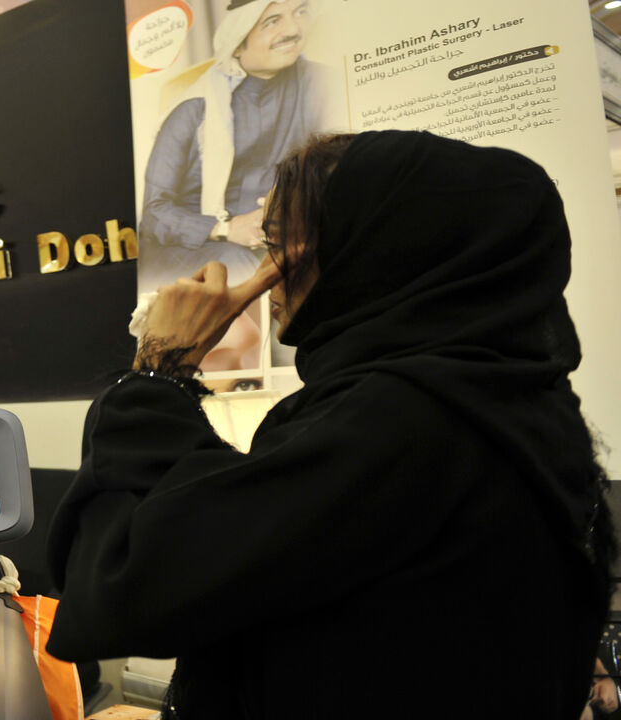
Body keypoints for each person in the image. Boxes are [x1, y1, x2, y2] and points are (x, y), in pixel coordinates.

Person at [47, 131, 614, 717]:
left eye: (289, 240)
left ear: (383, 247)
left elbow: (123, 587)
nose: (271, 269)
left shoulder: (404, 421)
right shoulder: (515, 404)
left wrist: (159, 367)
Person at [138, 0, 339, 371]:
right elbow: (154, 214)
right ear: (238, 42)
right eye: (272, 21)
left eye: (300, 12)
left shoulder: (321, 83)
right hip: (204, 246)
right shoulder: (193, 110)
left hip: (287, 235)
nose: (292, 30)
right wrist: (227, 228)